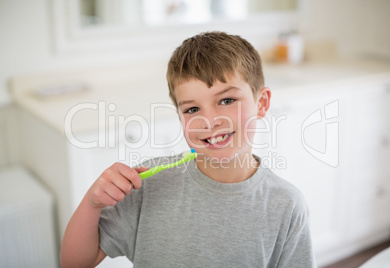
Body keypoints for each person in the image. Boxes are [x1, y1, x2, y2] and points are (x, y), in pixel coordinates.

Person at [60, 31, 316, 267]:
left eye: (227, 100)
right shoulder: (146, 186)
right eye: (192, 109)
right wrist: (92, 203)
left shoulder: (286, 205)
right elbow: (75, 263)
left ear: (261, 103)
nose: (210, 120)